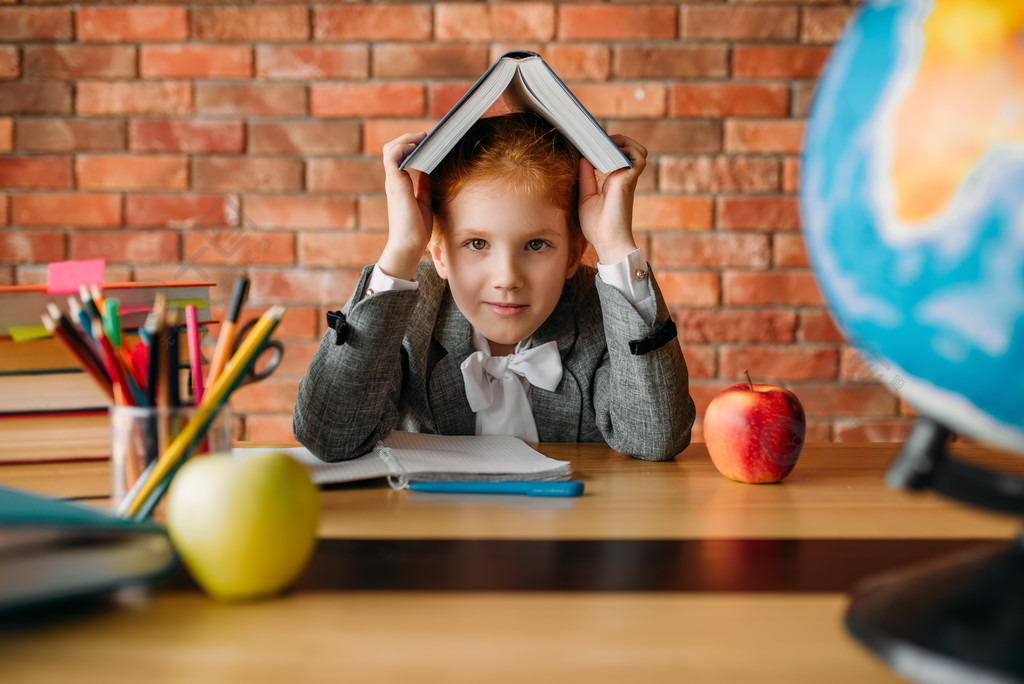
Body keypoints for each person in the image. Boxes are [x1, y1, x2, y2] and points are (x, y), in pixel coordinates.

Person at [293, 112, 695, 461]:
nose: (507, 278)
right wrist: (400, 251)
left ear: (574, 254)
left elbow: (654, 438)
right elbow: (330, 435)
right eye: (477, 244)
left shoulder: (601, 315)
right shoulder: (408, 318)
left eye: (536, 245)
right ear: (440, 254)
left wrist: (614, 245)